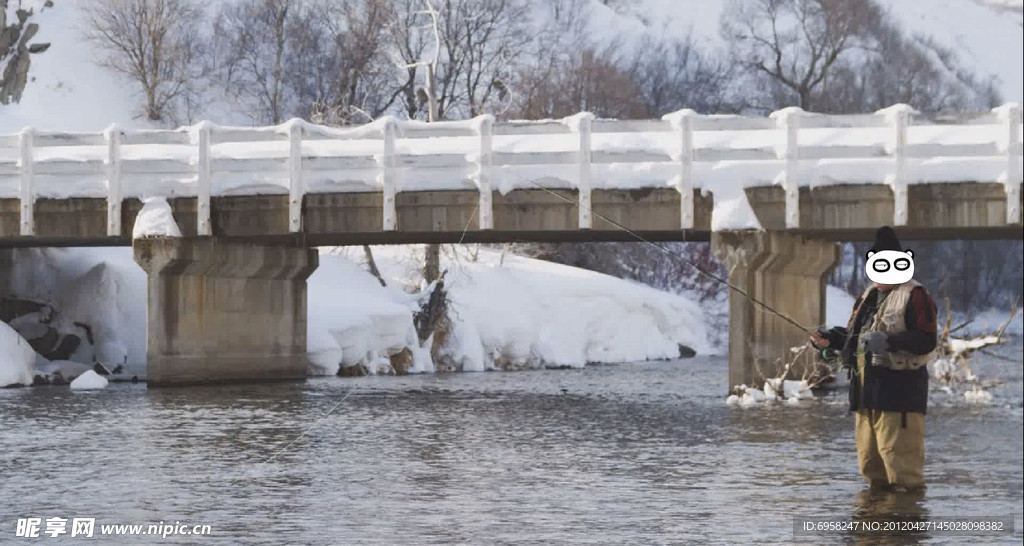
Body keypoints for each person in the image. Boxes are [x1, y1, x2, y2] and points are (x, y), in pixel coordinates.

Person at [811, 226, 937, 492]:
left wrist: (889, 341)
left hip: (899, 400)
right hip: (865, 398)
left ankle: (906, 529)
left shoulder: (915, 295)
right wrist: (831, 339)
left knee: (903, 475)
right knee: (871, 470)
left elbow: (926, 340)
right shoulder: (868, 296)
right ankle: (873, 531)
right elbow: (854, 336)